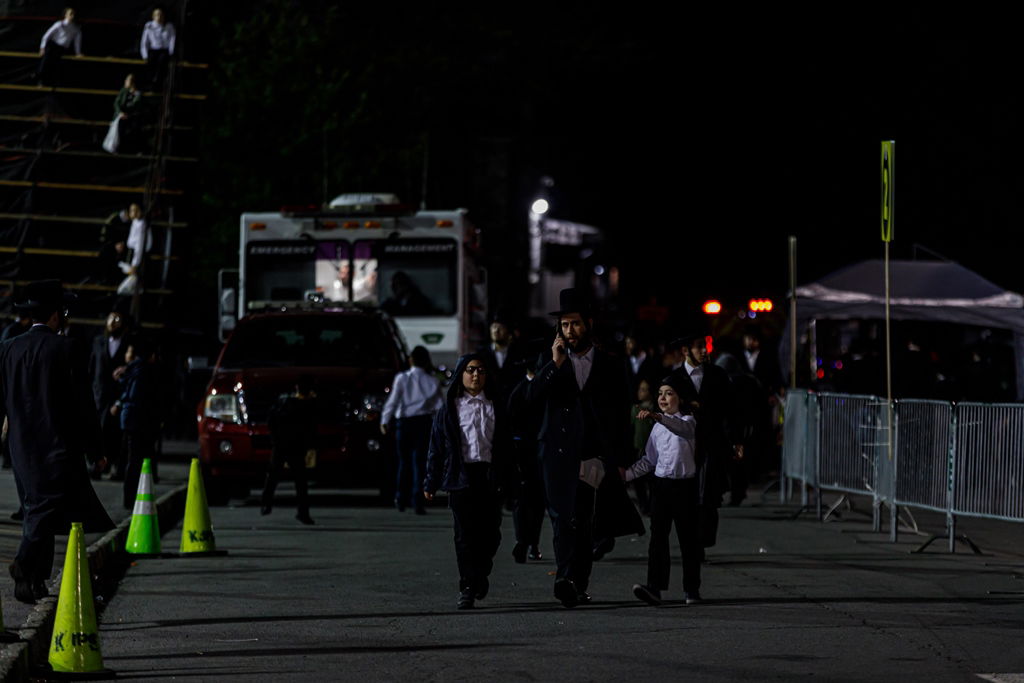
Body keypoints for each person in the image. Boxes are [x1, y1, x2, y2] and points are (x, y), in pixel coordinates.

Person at [0, 280, 113, 604]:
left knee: (36, 508)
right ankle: (25, 565)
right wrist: (97, 448)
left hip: (21, 443)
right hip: (56, 442)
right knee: (45, 507)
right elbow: (83, 402)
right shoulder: (66, 348)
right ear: (54, 316)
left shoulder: (9, 348)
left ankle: (34, 581)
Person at [525, 288, 635, 607]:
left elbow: (620, 412)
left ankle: (578, 582)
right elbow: (531, 399)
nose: (569, 331)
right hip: (556, 454)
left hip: (591, 455)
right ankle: (564, 577)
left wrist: (618, 458)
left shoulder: (610, 364)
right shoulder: (550, 359)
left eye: (575, 324)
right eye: (564, 325)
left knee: (583, 520)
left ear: (588, 323)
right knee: (561, 518)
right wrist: (555, 365)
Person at [424, 353, 512, 609]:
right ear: (462, 374)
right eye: (471, 370)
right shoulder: (449, 409)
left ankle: (480, 573)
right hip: (461, 478)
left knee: (491, 534)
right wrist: (431, 481)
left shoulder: (496, 406)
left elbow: (507, 448)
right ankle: (467, 586)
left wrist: (513, 480)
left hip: (489, 477)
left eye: (481, 371)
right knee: (464, 536)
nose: (476, 375)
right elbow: (437, 447)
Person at [624, 377, 703, 606]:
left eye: (669, 393)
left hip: (684, 488)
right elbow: (649, 460)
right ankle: (654, 588)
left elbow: (680, 428)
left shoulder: (688, 422)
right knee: (658, 538)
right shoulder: (657, 428)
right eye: (660, 393)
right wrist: (626, 475)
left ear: (680, 398)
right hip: (661, 487)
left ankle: (692, 589)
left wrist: (657, 416)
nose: (662, 398)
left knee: (688, 540)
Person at [668, 332, 740, 553]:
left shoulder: (718, 375)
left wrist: (736, 440)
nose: (704, 351)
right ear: (685, 351)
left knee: (708, 494)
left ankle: (702, 540)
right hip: (684, 445)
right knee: (687, 495)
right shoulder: (674, 379)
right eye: (698, 346)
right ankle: (692, 542)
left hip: (711, 443)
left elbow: (731, 410)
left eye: (705, 346)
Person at [381, 345, 442, 514]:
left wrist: (385, 420)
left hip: (404, 423)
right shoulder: (433, 381)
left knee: (403, 462)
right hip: (423, 423)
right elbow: (439, 407)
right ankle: (418, 501)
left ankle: (401, 498)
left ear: (411, 359)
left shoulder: (402, 378)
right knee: (420, 463)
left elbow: (393, 401)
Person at [111, 334, 160, 509]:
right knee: (135, 460)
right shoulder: (144, 371)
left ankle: (131, 497)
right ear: (151, 355)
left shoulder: (133, 368)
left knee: (134, 459)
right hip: (138, 421)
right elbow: (136, 396)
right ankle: (130, 499)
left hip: (131, 420)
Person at [261, 376, 317, 525]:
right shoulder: (302, 405)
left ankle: (267, 503)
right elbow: (309, 429)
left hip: (285, 445)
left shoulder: (287, 402)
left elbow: (272, 420)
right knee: (299, 481)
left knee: (277, 477)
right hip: (291, 446)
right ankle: (302, 512)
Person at [507, 353, 546, 563]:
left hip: (522, 452)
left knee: (522, 502)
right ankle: (531, 543)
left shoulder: (518, 391)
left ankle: (523, 540)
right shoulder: (538, 390)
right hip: (534, 451)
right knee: (536, 502)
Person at [89, 309, 130, 480]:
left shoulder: (128, 344)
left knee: (115, 435)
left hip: (118, 396)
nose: (113, 322)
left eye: (118, 318)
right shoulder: (98, 341)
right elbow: (92, 368)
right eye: (111, 318)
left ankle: (114, 466)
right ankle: (97, 466)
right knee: (98, 432)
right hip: (100, 395)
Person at [628, 377, 657, 515]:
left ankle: (652, 505)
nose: (641, 392)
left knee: (652, 480)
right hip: (638, 449)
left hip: (653, 450)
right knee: (638, 479)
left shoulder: (655, 410)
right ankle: (644, 505)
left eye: (644, 390)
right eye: (640, 389)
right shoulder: (635, 409)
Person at [37, 7, 82, 86]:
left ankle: (53, 81)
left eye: (73, 14)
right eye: (70, 14)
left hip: (63, 49)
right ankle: (41, 80)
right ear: (65, 15)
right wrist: (42, 47)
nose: (73, 16)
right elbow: (47, 35)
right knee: (47, 61)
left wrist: (78, 53)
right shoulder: (59, 24)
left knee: (58, 64)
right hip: (53, 46)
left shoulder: (76, 29)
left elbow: (77, 43)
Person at [140, 6, 175, 90]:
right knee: (150, 61)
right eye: (157, 15)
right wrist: (144, 55)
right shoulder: (149, 26)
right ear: (153, 16)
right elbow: (144, 41)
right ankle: (149, 83)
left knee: (162, 62)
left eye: (161, 15)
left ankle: (158, 84)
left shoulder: (169, 26)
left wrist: (171, 53)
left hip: (164, 50)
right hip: (153, 50)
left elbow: (172, 40)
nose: (159, 17)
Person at [113, 73, 144, 154]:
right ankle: (118, 148)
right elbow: (117, 103)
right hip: (122, 115)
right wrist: (120, 112)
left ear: (132, 83)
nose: (125, 82)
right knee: (120, 124)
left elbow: (135, 105)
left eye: (127, 80)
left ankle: (134, 149)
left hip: (132, 116)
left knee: (134, 127)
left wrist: (127, 113)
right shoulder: (123, 90)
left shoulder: (138, 93)